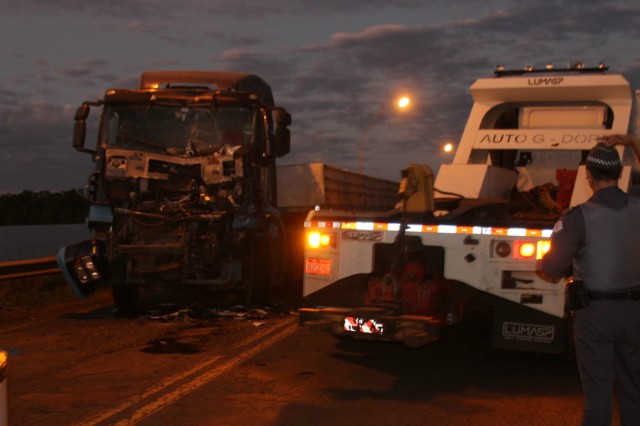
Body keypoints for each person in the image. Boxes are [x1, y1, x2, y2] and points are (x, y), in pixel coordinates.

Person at [540, 136, 640, 426]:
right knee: (633, 387)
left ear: (588, 175)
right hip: (635, 313)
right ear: (620, 173)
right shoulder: (637, 204)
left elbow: (551, 267)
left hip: (595, 315)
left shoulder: (578, 217)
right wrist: (633, 142)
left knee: (597, 390)